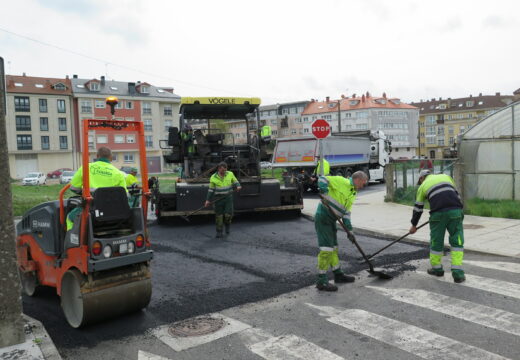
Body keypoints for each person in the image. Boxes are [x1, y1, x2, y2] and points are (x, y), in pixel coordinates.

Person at [315, 171, 368, 291]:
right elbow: (323, 179)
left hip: (332, 220)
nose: (363, 186)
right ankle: (321, 281)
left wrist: (350, 232)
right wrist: (323, 190)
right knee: (326, 249)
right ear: (358, 180)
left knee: (333, 248)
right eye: (363, 183)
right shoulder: (341, 181)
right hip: (323, 217)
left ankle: (338, 274)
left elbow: (346, 214)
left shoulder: (353, 192)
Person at [409, 170, 465, 283]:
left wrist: (414, 225)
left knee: (436, 241)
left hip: (438, 215)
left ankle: (437, 269)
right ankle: (457, 273)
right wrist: (458, 213)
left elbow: (418, 208)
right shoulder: (446, 177)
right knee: (457, 242)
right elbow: (456, 195)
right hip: (455, 212)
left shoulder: (423, 186)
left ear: (421, 178)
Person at [67, 147, 126, 230]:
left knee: (70, 217)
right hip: (112, 211)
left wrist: (84, 192)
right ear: (111, 158)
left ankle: (74, 241)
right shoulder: (118, 173)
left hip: (90, 209)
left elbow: (74, 187)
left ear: (97, 156)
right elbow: (125, 195)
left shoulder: (86, 167)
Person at [204, 162, 242, 238]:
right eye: (222, 171)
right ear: (218, 169)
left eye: (225, 170)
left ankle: (227, 225)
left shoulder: (230, 174)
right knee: (219, 216)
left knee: (228, 215)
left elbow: (235, 181)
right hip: (218, 199)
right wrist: (207, 200)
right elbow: (211, 190)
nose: (224, 172)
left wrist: (238, 186)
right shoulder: (213, 177)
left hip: (228, 198)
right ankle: (219, 232)